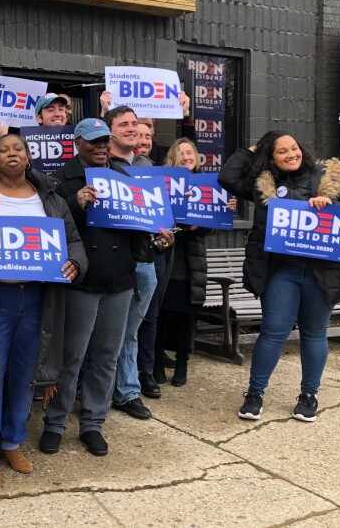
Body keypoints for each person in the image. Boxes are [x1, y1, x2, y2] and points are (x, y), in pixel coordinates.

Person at [0, 133, 87, 487]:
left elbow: (73, 242)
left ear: (28, 157)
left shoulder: (49, 197)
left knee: (25, 376)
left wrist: (75, 263)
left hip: (38, 299)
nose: (11, 153)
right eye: (3, 149)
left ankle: (11, 441)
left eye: (18, 149)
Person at [40, 119, 173, 457]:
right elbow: (47, 231)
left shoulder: (124, 176)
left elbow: (140, 233)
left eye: (104, 141)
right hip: (81, 283)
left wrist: (159, 241)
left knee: (106, 357)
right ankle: (55, 422)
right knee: (71, 357)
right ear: (78, 144)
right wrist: (74, 203)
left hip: (120, 281)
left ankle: (93, 423)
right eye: (93, 142)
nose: (101, 147)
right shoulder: (59, 179)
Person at [218, 131, 340, 422]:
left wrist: (330, 207)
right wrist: (251, 149)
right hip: (280, 271)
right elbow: (227, 178)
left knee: (314, 332)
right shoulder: (264, 183)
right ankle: (255, 394)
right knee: (273, 331)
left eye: (294, 148)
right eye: (281, 151)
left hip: (320, 272)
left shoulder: (327, 176)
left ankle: (309, 396)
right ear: (270, 157)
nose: (291, 154)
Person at [105, 106, 162, 421]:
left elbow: (156, 216)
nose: (131, 128)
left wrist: (164, 234)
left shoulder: (148, 166)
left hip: (145, 260)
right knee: (110, 333)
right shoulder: (102, 166)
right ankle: (111, 390)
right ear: (111, 131)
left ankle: (125, 392)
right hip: (115, 261)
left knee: (130, 331)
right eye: (123, 123)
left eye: (135, 123)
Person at [154, 138, 212, 388]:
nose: (186, 156)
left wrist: (204, 223)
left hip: (192, 260)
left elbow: (211, 223)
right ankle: (156, 362)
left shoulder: (209, 184)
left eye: (190, 152)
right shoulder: (164, 182)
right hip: (168, 256)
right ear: (172, 159)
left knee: (187, 316)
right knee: (162, 314)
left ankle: (182, 363)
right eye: (181, 153)